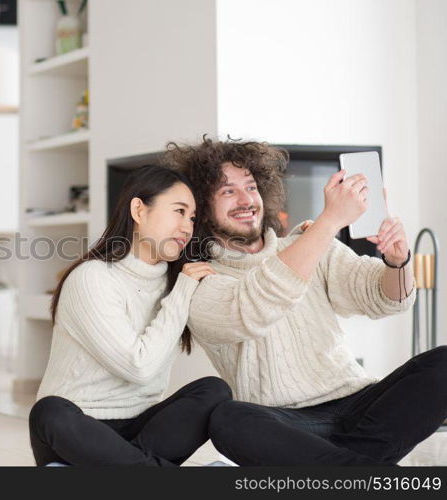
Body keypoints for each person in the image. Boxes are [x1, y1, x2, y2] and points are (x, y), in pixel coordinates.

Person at [165, 137, 447, 466]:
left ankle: (341, 471)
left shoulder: (308, 241)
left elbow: (387, 300)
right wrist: (329, 222)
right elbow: (251, 310)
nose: (246, 199)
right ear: (200, 206)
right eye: (228, 191)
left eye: (251, 186)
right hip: (288, 425)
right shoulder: (198, 280)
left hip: (359, 403)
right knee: (227, 418)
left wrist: (397, 260)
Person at [28, 165, 232, 466]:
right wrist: (182, 292)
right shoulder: (93, 278)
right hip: (80, 432)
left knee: (214, 391)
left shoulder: (177, 282)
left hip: (140, 430)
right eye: (179, 211)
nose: (187, 227)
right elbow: (138, 367)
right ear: (139, 210)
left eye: (192, 218)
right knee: (50, 412)